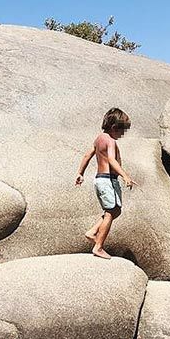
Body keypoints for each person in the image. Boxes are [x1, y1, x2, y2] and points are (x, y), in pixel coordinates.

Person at [75, 107, 137, 259]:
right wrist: (125, 175)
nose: (123, 134)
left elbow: (87, 155)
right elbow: (111, 160)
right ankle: (98, 246)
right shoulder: (110, 141)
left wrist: (80, 173)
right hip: (108, 180)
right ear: (115, 128)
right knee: (111, 212)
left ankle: (92, 232)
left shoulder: (98, 139)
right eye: (123, 130)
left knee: (115, 210)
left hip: (100, 179)